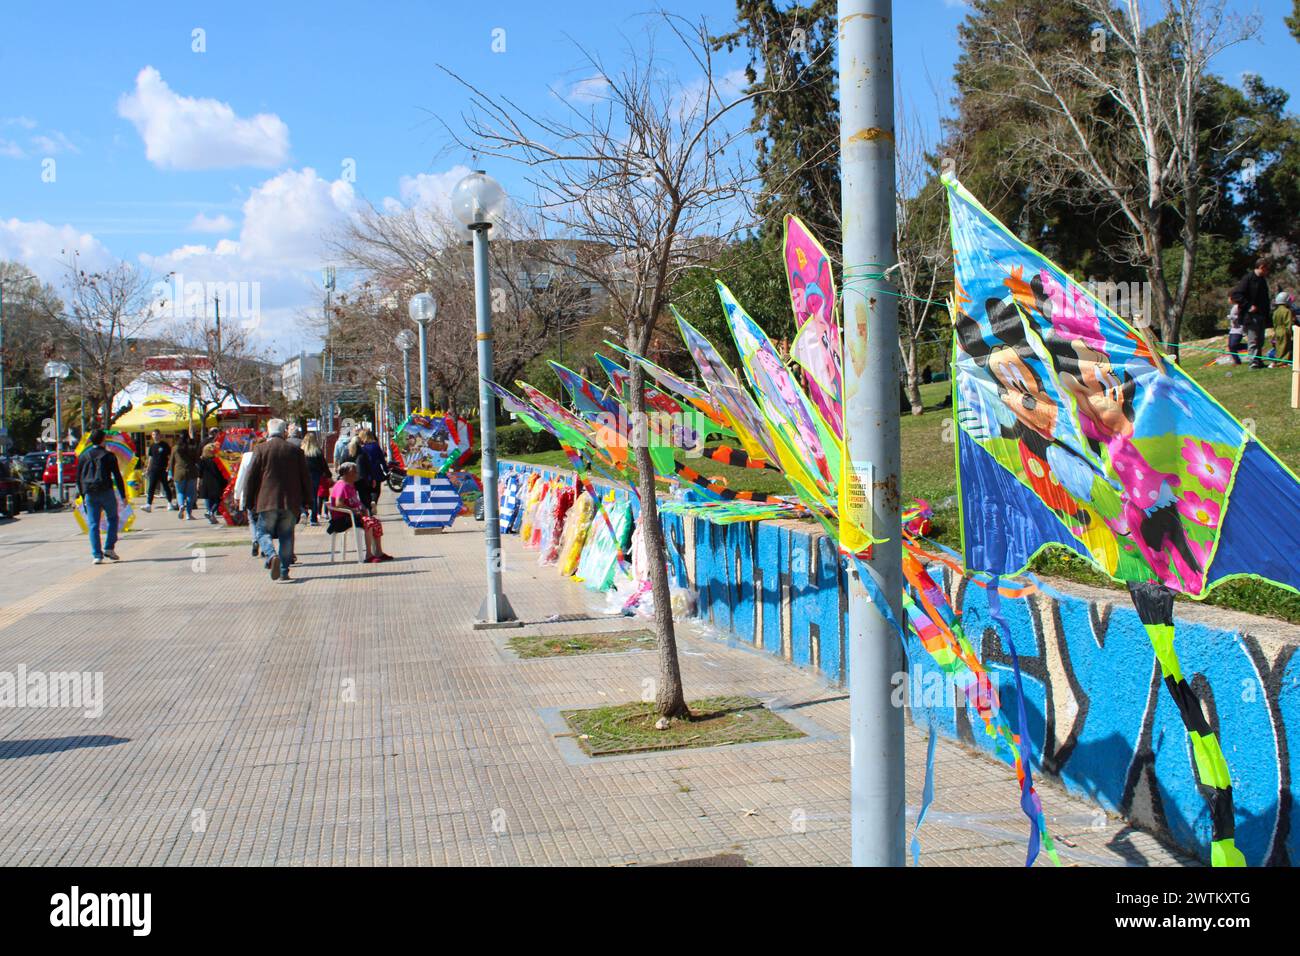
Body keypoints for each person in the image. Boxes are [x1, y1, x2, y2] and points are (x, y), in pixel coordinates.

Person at [242, 418, 311, 582]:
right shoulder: (295, 451)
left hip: (267, 501)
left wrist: (248, 501)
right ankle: (283, 571)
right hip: (290, 501)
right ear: (284, 432)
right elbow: (305, 478)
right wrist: (308, 501)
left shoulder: (261, 449)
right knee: (286, 535)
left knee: (262, 532)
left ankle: (271, 555)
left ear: (268, 431)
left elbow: (250, 477)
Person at [76, 428, 127, 565]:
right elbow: (117, 476)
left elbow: (78, 478)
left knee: (93, 524)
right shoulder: (109, 456)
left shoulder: (83, 456)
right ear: (103, 439)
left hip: (90, 493)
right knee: (113, 518)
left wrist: (82, 495)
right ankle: (109, 547)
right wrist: (123, 495)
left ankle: (97, 555)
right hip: (106, 491)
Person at [328, 461, 392, 562]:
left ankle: (378, 552)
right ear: (346, 473)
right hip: (342, 520)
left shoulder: (350, 485)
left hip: (353, 517)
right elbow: (338, 503)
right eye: (354, 472)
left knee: (376, 522)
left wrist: (362, 508)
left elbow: (356, 501)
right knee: (369, 523)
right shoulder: (342, 485)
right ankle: (368, 555)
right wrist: (354, 511)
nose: (356, 474)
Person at [1229, 259, 1271, 369]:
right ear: (1261, 267)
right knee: (1253, 339)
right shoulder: (1248, 278)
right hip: (1250, 317)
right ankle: (1253, 362)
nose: (1268, 271)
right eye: (1266, 268)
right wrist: (1248, 306)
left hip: (1261, 315)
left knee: (1260, 340)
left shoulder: (1262, 280)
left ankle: (1258, 361)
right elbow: (1236, 295)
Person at [233, 435, 265, 556]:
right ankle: (263, 543)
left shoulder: (246, 457)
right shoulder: (266, 455)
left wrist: (236, 493)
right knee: (263, 520)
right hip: (263, 493)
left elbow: (241, 477)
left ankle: (255, 540)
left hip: (249, 493)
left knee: (252, 520)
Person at [142, 429, 175, 512]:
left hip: (163, 469)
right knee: (151, 487)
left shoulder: (165, 445)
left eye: (156, 434)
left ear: (159, 435)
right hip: (153, 469)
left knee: (166, 486)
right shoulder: (152, 446)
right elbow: (150, 458)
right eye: (153, 435)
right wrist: (147, 469)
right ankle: (148, 505)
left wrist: (169, 468)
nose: (155, 436)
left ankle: (170, 503)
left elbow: (170, 457)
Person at [170, 431, 201, 520]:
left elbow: (171, 462)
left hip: (179, 473)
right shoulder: (192, 447)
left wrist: (171, 473)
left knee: (180, 492)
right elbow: (197, 460)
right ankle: (188, 514)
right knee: (190, 494)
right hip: (191, 472)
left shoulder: (175, 448)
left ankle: (181, 505)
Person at [301, 432, 329, 526]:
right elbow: (323, 464)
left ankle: (304, 512)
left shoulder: (301, 451)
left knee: (302, 494)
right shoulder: (317, 451)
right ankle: (313, 519)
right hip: (315, 476)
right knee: (314, 497)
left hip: (303, 475)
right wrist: (328, 475)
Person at [197, 442, 228, 524]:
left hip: (206, 483)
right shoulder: (216, 460)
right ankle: (210, 512)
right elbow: (220, 472)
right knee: (219, 500)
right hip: (216, 482)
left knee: (210, 500)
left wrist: (198, 483)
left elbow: (199, 473)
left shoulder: (202, 460)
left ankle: (211, 517)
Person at [358, 428, 388, 510]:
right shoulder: (376, 446)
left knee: (367, 491)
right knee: (376, 490)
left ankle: (369, 508)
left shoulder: (362, 448)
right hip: (376, 471)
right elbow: (382, 459)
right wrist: (386, 470)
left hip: (365, 472)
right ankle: (374, 501)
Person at [1272, 291, 1294, 369]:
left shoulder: (1275, 311)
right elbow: (1288, 323)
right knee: (1285, 347)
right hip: (1284, 330)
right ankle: (1283, 362)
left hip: (1277, 330)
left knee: (1278, 346)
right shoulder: (1287, 311)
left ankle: (1278, 360)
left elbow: (1274, 323)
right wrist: (1291, 333)